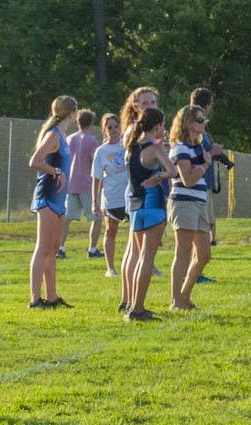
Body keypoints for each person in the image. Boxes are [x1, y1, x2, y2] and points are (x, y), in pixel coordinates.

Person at [123, 107, 176, 321]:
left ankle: (133, 305)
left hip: (136, 208)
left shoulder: (130, 148)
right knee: (146, 260)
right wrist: (160, 176)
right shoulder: (155, 149)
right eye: (162, 125)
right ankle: (137, 309)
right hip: (153, 207)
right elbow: (173, 171)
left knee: (139, 259)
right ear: (157, 126)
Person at [27, 95, 78, 309]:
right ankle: (35, 299)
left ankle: (52, 297)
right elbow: (34, 162)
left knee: (53, 248)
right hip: (47, 196)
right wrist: (56, 171)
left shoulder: (62, 135)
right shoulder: (53, 135)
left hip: (59, 199)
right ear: (72, 112)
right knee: (43, 248)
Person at [166, 105, 213, 310]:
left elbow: (195, 175)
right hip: (184, 203)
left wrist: (200, 166)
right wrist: (204, 166)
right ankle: (177, 301)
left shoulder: (198, 147)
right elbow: (188, 180)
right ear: (188, 123)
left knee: (204, 254)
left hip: (199, 202)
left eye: (204, 120)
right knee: (183, 251)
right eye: (199, 120)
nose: (204, 124)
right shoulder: (180, 148)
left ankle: (184, 296)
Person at [117, 87, 161, 294]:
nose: (150, 106)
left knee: (133, 249)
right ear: (135, 107)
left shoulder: (144, 132)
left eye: (153, 103)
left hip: (137, 191)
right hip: (140, 193)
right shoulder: (135, 131)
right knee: (136, 250)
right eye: (145, 104)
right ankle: (129, 299)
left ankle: (127, 298)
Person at [190, 87, 226, 279]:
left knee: (203, 228)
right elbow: (199, 153)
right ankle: (194, 273)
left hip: (202, 184)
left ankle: (196, 272)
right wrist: (213, 152)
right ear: (207, 104)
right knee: (198, 230)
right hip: (197, 185)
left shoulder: (197, 125)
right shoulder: (194, 128)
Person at [61, 108, 102, 260]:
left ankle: (61, 248)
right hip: (87, 184)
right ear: (91, 123)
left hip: (71, 184)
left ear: (78, 122)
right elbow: (95, 164)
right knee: (97, 217)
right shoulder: (92, 141)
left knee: (67, 218)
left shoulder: (69, 139)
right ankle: (92, 249)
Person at [91, 113, 128, 280]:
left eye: (116, 126)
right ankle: (110, 268)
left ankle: (145, 265)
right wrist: (94, 202)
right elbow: (96, 179)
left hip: (129, 196)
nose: (113, 130)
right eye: (109, 127)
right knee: (110, 230)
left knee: (138, 232)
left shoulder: (127, 145)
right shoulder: (101, 151)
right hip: (111, 198)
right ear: (104, 130)